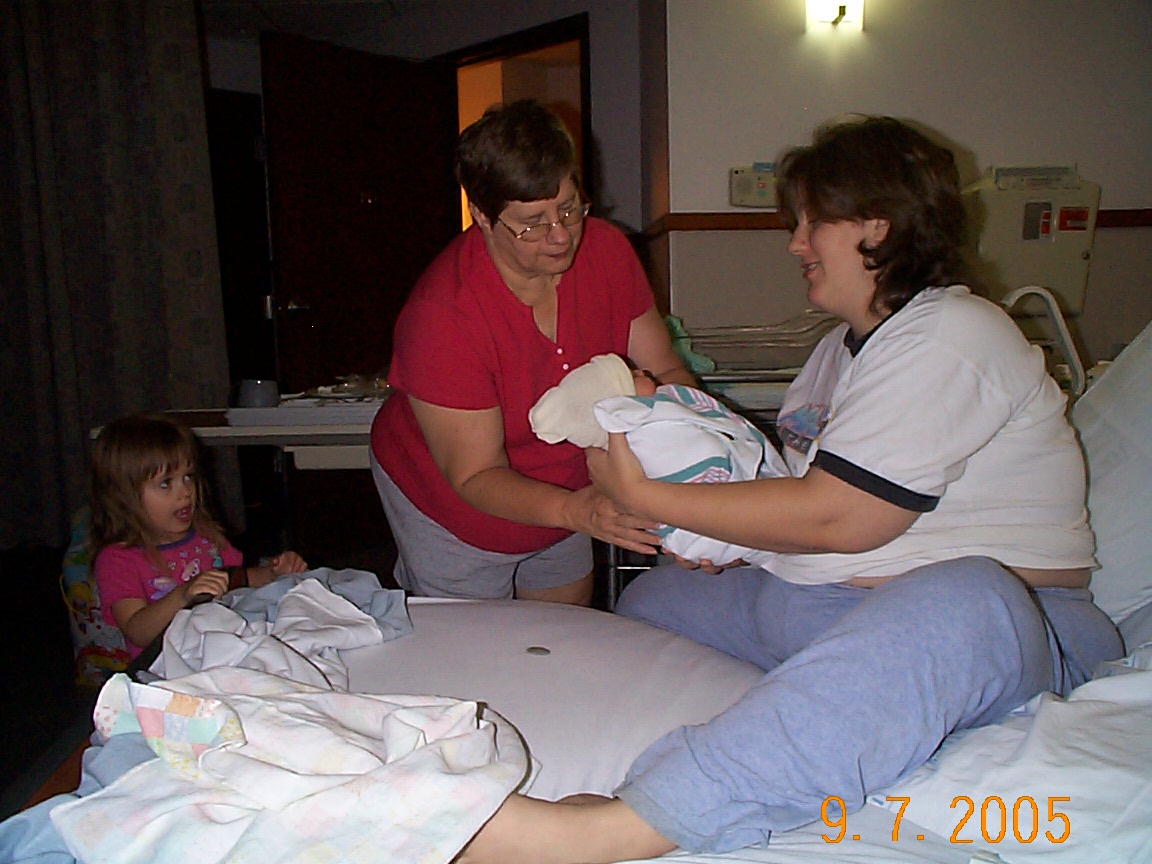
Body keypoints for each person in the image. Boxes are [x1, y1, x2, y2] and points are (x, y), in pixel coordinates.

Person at [456, 115, 1125, 863]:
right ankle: (815, 727)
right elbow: (783, 496)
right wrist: (722, 538)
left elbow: (842, 517)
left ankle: (617, 825)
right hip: (828, 604)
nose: (795, 245)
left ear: (878, 223)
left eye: (811, 224)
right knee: (654, 603)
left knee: (971, 598)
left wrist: (648, 497)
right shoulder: (835, 354)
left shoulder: (955, 332)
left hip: (1013, 628)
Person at [369, 99, 693, 605]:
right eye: (532, 222)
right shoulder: (443, 315)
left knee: (563, 635)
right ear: (481, 215)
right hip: (454, 505)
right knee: (482, 647)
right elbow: (476, 475)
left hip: (567, 486)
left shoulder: (606, 252)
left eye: (569, 207)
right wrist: (577, 511)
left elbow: (666, 370)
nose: (560, 235)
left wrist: (698, 461)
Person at [90, 413, 308, 658]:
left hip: (225, 650)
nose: (185, 492)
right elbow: (136, 631)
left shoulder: (206, 537)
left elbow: (237, 579)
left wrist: (272, 573)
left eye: (188, 477)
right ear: (123, 496)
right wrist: (183, 595)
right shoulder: (117, 559)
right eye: (166, 483)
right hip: (167, 669)